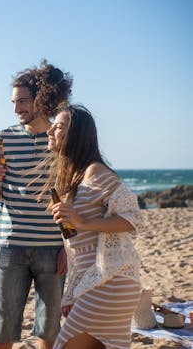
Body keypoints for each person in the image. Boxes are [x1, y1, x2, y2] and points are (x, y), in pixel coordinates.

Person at [0, 60, 73, 349]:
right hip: (11, 246)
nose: (16, 108)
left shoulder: (62, 140)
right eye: (13, 101)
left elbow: (71, 195)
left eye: (22, 101)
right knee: (3, 331)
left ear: (40, 99)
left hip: (52, 248)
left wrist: (68, 246)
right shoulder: (5, 137)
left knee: (49, 331)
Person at [40, 104, 143, 349]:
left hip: (111, 282)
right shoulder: (76, 176)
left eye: (59, 127)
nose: (50, 131)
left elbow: (133, 218)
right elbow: (83, 249)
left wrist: (83, 221)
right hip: (98, 281)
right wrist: (73, 291)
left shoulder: (95, 172)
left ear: (76, 135)